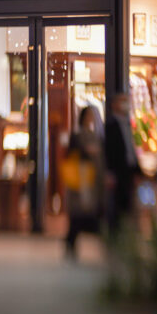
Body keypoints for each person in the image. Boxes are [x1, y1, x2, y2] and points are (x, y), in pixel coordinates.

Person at [60, 105, 105, 260]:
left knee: (87, 210)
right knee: (79, 211)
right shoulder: (78, 136)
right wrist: (86, 151)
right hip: (81, 178)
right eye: (89, 116)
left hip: (91, 179)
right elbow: (71, 154)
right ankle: (71, 241)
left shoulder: (96, 136)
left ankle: (73, 240)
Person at [103, 91, 140, 235]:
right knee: (116, 203)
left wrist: (136, 170)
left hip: (128, 169)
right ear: (114, 105)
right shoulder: (110, 125)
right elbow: (109, 150)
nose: (126, 104)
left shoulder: (128, 124)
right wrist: (109, 172)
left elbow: (131, 148)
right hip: (117, 170)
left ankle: (125, 233)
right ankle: (115, 233)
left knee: (128, 203)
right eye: (122, 101)